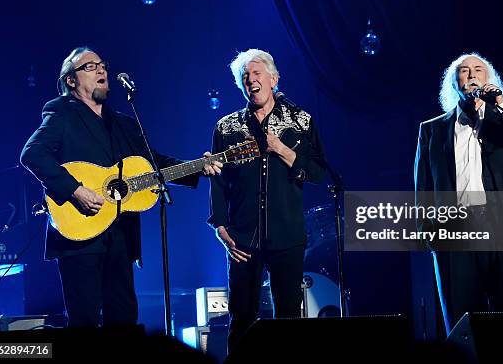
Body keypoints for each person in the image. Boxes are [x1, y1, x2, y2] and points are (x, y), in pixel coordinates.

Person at [20, 47, 222, 327]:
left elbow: (153, 162)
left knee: (124, 317)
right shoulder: (62, 114)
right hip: (79, 234)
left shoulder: (124, 123)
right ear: (71, 81)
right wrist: (75, 190)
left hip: (120, 234)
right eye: (91, 67)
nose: (102, 70)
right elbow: (32, 154)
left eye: (102, 65)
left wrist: (199, 166)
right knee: (85, 321)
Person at [207, 49, 326, 353]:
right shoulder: (226, 127)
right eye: (245, 76)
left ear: (273, 79)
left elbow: (316, 172)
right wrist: (220, 226)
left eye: (256, 73)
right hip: (242, 238)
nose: (251, 79)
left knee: (288, 315)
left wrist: (281, 149)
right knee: (242, 317)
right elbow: (218, 180)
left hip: (287, 234)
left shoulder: (300, 121)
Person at [414, 53, 503, 335]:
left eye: (478, 70)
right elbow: (423, 187)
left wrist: (500, 108)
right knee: (461, 322)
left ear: (489, 80)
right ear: (454, 81)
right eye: (464, 71)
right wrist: (427, 230)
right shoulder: (433, 129)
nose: (471, 75)